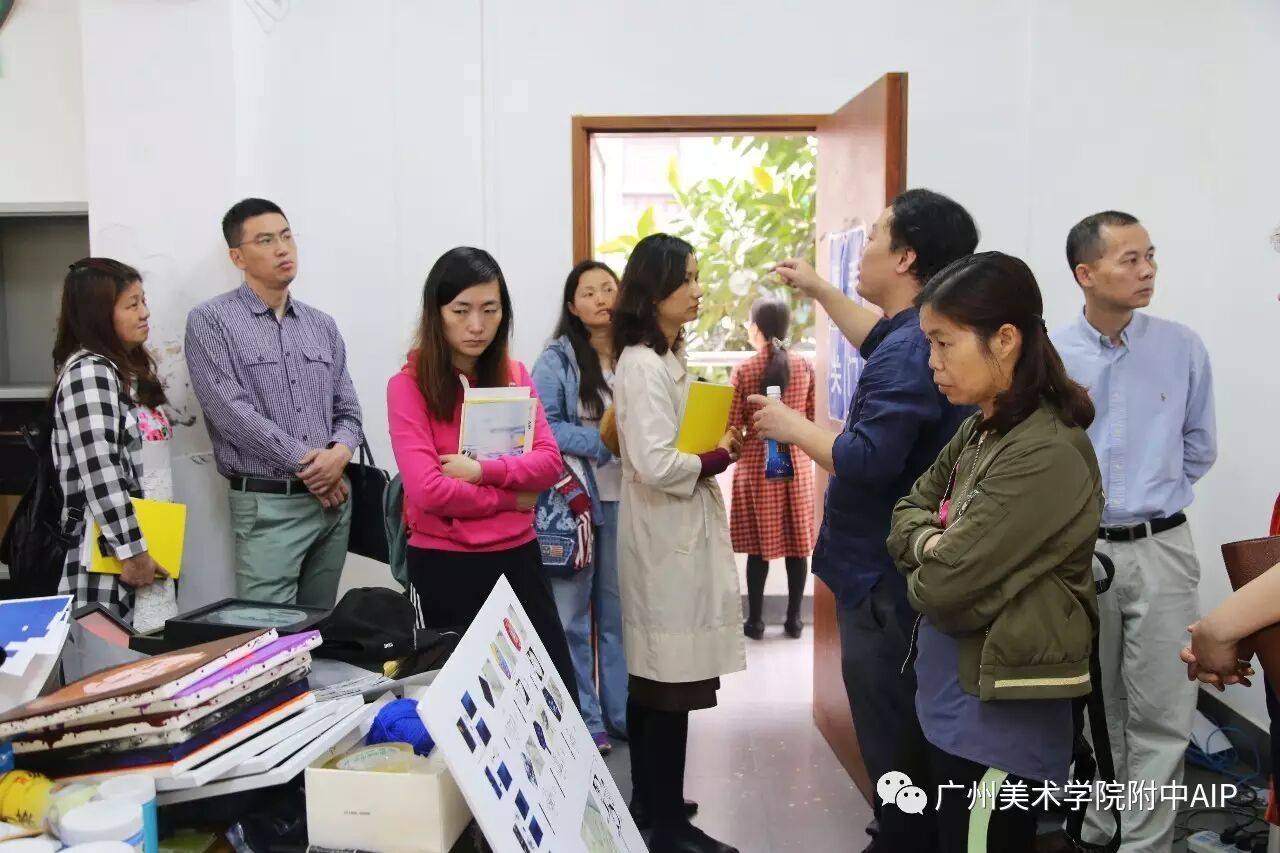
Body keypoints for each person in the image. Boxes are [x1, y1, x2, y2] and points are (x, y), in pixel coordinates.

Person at [754, 189, 977, 851]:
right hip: (894, 569)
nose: (864, 247)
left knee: (894, 735)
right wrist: (820, 288)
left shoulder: (912, 350)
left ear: (905, 256)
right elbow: (877, 337)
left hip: (884, 578)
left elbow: (868, 459)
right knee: (903, 728)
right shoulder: (916, 334)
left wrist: (791, 425)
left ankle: (903, 836)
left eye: (876, 234)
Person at [887, 251, 1103, 852]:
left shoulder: (1045, 450)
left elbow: (942, 589)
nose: (932, 361)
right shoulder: (982, 427)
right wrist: (932, 541)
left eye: (944, 343)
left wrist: (932, 553)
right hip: (956, 697)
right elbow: (905, 511)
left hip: (999, 718)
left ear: (1005, 339)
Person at [1052, 211, 1217, 852]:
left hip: (1161, 546)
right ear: (1086, 274)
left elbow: (1199, 447)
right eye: (1130, 259)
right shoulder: (1051, 356)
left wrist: (1151, 495)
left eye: (1151, 256)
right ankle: (1103, 826)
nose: (1147, 270)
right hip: (1080, 551)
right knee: (1096, 705)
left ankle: (1145, 844)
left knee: (1165, 709)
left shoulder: (1181, 347)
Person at [386, 246, 577, 698]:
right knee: (473, 702)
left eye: (490, 310)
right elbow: (428, 491)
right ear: (437, 313)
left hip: (518, 555)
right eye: (461, 311)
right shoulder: (407, 387)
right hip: (446, 565)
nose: (476, 325)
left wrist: (480, 470)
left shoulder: (514, 375)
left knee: (551, 695)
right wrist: (512, 497)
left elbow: (549, 462)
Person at [613, 233, 743, 853]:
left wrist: (712, 444)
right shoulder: (642, 363)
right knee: (667, 686)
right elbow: (658, 462)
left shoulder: (664, 355)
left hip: (673, 533)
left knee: (661, 679)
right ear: (652, 290)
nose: (696, 290)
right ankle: (666, 825)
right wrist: (719, 456)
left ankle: (654, 800)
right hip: (664, 539)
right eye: (685, 279)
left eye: (696, 277)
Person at [185, 198, 363, 608]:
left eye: (286, 236)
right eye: (265, 240)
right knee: (267, 631)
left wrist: (339, 454)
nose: (283, 249)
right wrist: (312, 467)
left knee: (321, 627)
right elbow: (230, 413)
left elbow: (349, 410)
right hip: (268, 507)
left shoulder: (321, 325)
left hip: (332, 505)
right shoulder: (211, 321)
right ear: (237, 257)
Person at [531, 260, 628, 754]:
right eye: (588, 292)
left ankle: (621, 714)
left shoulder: (637, 354)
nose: (600, 298)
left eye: (608, 288)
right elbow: (542, 425)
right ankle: (585, 718)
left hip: (629, 501)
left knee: (618, 616)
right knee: (570, 617)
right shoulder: (558, 360)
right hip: (576, 506)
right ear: (572, 306)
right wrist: (603, 444)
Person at [52, 259, 174, 629]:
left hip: (148, 543)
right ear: (99, 316)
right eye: (132, 305)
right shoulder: (89, 373)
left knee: (154, 652)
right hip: (110, 554)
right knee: (113, 655)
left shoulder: (126, 369)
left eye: (143, 301)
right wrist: (132, 549)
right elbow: (99, 469)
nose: (145, 313)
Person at [728, 296, 815, 640]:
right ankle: (794, 620)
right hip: (796, 462)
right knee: (797, 545)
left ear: (756, 328)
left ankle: (755, 621)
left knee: (758, 548)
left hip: (758, 464)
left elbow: (733, 424)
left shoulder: (745, 370)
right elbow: (811, 417)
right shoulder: (803, 366)